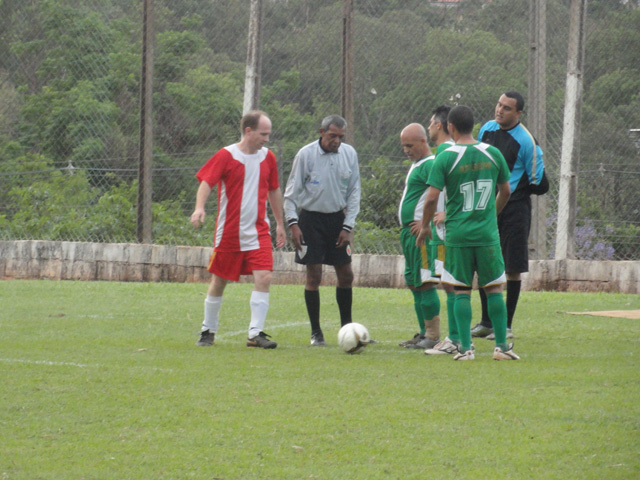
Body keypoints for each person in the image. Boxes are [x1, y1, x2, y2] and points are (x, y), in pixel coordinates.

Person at [417, 105, 519, 360]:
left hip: (458, 235)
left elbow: (432, 198)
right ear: (473, 126)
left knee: (461, 290)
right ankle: (502, 347)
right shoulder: (493, 153)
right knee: (494, 289)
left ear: (450, 127)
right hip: (487, 235)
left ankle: (465, 348)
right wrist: (491, 214)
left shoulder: (445, 157)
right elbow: (506, 191)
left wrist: (425, 225)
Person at [192, 110, 286, 349]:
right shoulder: (226, 155)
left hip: (259, 231)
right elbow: (207, 182)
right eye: (263, 134)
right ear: (248, 131)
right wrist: (199, 208)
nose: (267, 139)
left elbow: (274, 190)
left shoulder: (268, 158)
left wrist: (280, 223)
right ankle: (208, 330)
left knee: (264, 277)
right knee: (220, 281)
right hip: (230, 232)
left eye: (268, 134)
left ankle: (255, 334)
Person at [473, 91, 549, 340]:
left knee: (511, 267)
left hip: (515, 210)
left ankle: (505, 325)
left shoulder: (527, 141)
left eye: (506, 108)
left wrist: (513, 190)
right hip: (486, 206)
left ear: (518, 113)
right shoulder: (487, 130)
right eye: (499, 104)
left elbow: (540, 183)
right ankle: (486, 322)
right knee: (484, 262)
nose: (499, 110)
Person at [283, 115, 361, 346]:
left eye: (341, 137)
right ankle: (316, 333)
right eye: (332, 136)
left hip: (338, 220)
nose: (337, 141)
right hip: (310, 221)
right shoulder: (305, 155)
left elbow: (354, 191)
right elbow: (291, 193)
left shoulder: (349, 154)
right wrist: (293, 224)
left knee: (346, 275)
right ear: (321, 132)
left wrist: (348, 226)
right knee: (314, 275)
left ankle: (348, 329)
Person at [396, 123, 440, 350]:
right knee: (414, 283)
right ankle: (423, 332)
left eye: (410, 146)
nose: (406, 150)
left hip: (422, 235)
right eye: (403, 146)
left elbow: (442, 194)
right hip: (409, 234)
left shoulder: (431, 164)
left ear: (423, 141)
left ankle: (432, 335)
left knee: (425, 282)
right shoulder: (418, 165)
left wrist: (428, 223)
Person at [422, 105, 462, 355]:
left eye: (430, 123)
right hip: (444, 229)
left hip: (446, 230)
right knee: (449, 283)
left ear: (439, 125)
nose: (428, 128)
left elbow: (445, 192)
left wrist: (447, 213)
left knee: (451, 283)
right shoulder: (450, 150)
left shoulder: (446, 152)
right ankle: (456, 337)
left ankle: (456, 338)